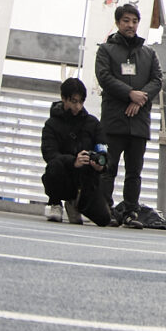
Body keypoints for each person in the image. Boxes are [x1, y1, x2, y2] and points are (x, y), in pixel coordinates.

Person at [92, 4, 166, 229]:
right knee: (109, 167)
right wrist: (129, 94)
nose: (130, 25)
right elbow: (104, 77)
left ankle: (130, 211)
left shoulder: (148, 53)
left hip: (138, 121)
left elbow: (157, 79)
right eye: (126, 20)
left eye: (134, 21)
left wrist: (141, 99)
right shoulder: (106, 49)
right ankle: (106, 209)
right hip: (114, 120)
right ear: (118, 23)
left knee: (134, 172)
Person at [41, 79, 110, 225]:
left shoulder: (92, 123)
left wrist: (101, 164)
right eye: (73, 101)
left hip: (86, 179)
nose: (77, 106)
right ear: (63, 99)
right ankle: (55, 203)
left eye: (81, 102)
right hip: (63, 175)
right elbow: (49, 154)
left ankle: (75, 204)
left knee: (104, 219)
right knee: (54, 166)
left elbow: (102, 147)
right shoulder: (51, 125)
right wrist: (73, 161)